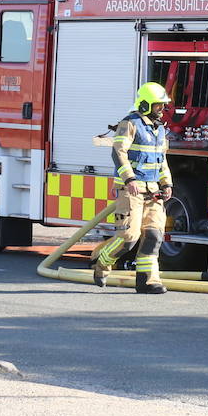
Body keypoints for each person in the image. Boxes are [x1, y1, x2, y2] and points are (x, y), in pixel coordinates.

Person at [90, 82, 174, 294]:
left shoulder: (160, 130)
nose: (162, 110)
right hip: (131, 191)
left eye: (163, 106)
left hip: (153, 192)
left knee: (154, 236)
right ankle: (102, 261)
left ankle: (148, 281)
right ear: (145, 105)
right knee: (128, 238)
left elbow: (160, 160)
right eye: (158, 106)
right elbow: (118, 153)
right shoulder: (130, 124)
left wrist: (167, 183)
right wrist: (129, 180)